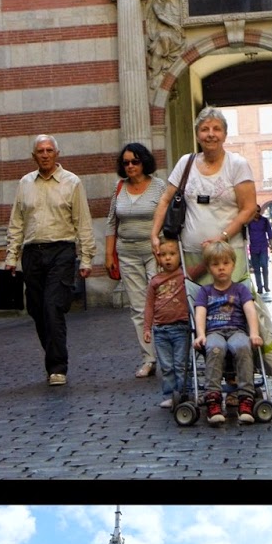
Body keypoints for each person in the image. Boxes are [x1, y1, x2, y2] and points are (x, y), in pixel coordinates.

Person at [3, 134, 94, 386]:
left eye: (49, 150)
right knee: (36, 309)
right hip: (32, 254)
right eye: (40, 151)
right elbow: (17, 222)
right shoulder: (24, 183)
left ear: (57, 154)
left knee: (53, 307)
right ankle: (53, 353)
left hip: (62, 251)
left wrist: (86, 259)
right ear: (34, 156)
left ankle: (57, 366)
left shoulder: (72, 182)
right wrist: (11, 256)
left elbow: (83, 223)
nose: (45, 154)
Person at [149, 106, 259, 287]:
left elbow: (249, 208)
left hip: (227, 256)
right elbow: (165, 200)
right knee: (196, 308)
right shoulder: (186, 163)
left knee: (229, 310)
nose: (211, 134)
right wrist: (154, 234)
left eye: (217, 129)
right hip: (191, 254)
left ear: (225, 134)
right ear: (197, 134)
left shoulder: (237, 164)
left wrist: (222, 237)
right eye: (204, 129)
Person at [104, 141, 164, 377]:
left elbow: (167, 219)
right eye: (126, 162)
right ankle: (149, 358)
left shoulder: (159, 187)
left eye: (135, 161)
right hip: (127, 253)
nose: (130, 166)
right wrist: (109, 254)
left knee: (160, 304)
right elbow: (111, 221)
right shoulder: (119, 187)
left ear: (144, 162)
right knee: (139, 308)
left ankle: (168, 354)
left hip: (154, 253)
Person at [193, 242, 263, 426]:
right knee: (215, 348)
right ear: (209, 268)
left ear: (233, 264)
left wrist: (254, 333)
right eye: (216, 265)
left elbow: (250, 311)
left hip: (236, 330)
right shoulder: (205, 291)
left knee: (242, 347)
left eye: (225, 263)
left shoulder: (240, 289)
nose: (221, 268)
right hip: (213, 331)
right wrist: (200, 334)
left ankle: (246, 398)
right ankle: (213, 398)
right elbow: (200, 312)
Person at [142, 237, 192, 410]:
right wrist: (147, 327)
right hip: (161, 330)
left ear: (180, 255)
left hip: (181, 327)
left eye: (172, 254)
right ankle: (169, 394)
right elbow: (149, 306)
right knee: (167, 365)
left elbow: (202, 268)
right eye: (163, 255)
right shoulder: (155, 281)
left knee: (181, 364)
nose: (168, 258)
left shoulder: (184, 275)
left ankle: (185, 393)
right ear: (157, 257)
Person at [246, 204, 272, 298]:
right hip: (253, 247)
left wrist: (271, 245)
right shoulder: (249, 222)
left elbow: (269, 233)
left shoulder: (265, 220)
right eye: (255, 211)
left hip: (263, 246)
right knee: (256, 268)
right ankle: (259, 287)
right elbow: (245, 234)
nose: (257, 213)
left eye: (258, 211)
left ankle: (266, 286)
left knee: (264, 265)